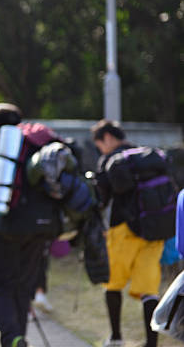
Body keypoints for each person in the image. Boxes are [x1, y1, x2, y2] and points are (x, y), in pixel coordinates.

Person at [0, 103, 60, 347]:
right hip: (37, 230)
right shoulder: (37, 154)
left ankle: (13, 338)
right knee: (23, 287)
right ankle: (18, 338)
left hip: (2, 230)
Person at [92, 120, 163, 347]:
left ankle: (116, 338)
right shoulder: (147, 157)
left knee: (113, 283)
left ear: (108, 138)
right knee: (149, 288)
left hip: (123, 230)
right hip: (154, 230)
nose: (101, 149)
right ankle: (151, 343)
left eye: (100, 144)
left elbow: (101, 196)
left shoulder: (113, 160)